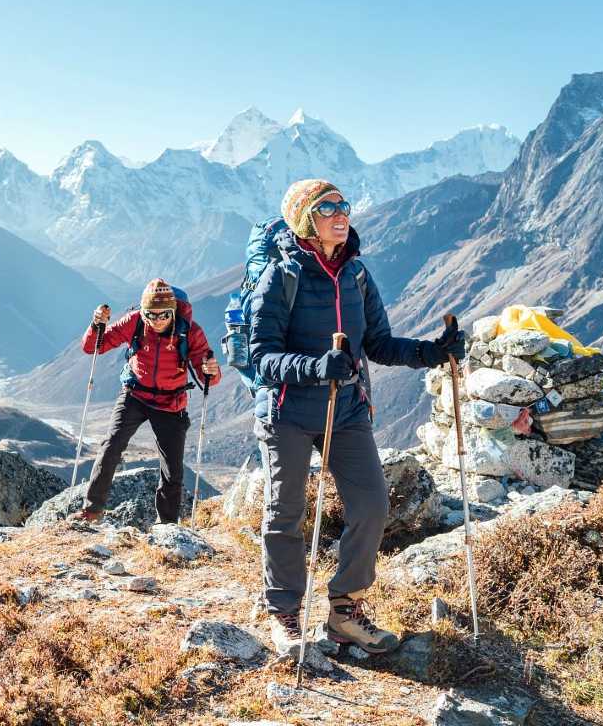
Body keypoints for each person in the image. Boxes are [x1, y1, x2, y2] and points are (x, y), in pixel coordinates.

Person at [249, 178, 464, 655]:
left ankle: (345, 611)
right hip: (287, 411)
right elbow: (262, 357)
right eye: (327, 208)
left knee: (371, 506)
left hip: (345, 408)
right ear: (306, 220)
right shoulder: (280, 277)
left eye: (343, 205)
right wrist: (313, 367)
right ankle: (284, 612)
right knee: (285, 513)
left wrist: (433, 352)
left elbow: (380, 345)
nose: (341, 214)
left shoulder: (356, 276)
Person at [71, 278, 220, 524]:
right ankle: (91, 511)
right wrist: (96, 325)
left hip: (171, 403)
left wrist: (210, 370)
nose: (158, 319)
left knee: (173, 470)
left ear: (173, 310)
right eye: (151, 313)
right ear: (143, 310)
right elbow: (94, 347)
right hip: (135, 394)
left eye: (164, 314)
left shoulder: (190, 331)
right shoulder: (135, 321)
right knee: (111, 446)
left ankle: (168, 526)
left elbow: (208, 377)